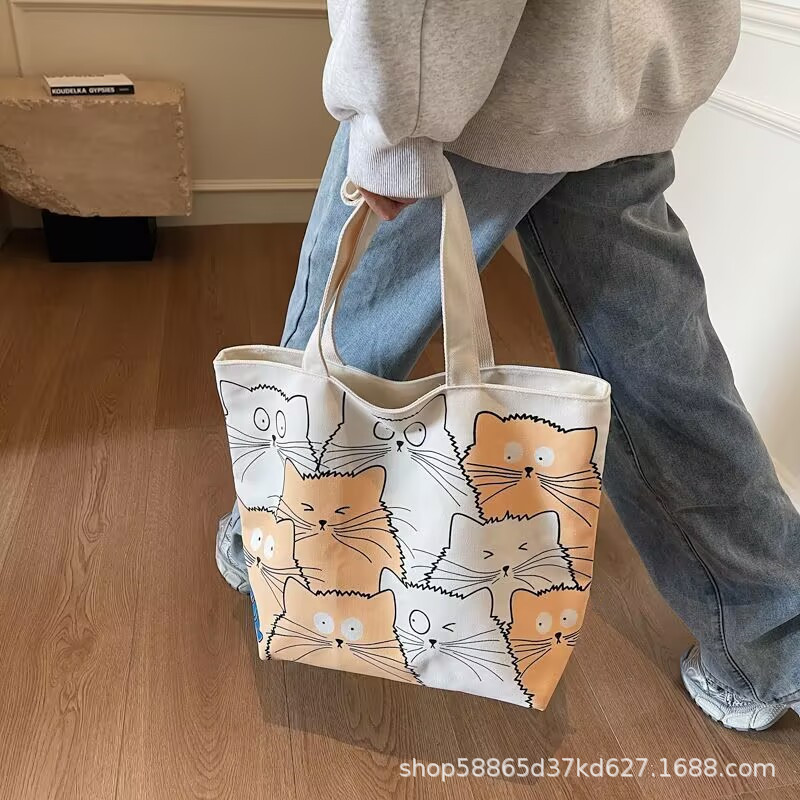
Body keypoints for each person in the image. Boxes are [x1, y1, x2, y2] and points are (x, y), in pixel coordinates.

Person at [217, 1, 800, 731]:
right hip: (631, 79)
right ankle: (776, 640)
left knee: (341, 348)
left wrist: (396, 126)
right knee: (666, 379)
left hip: (476, 89)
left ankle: (276, 554)